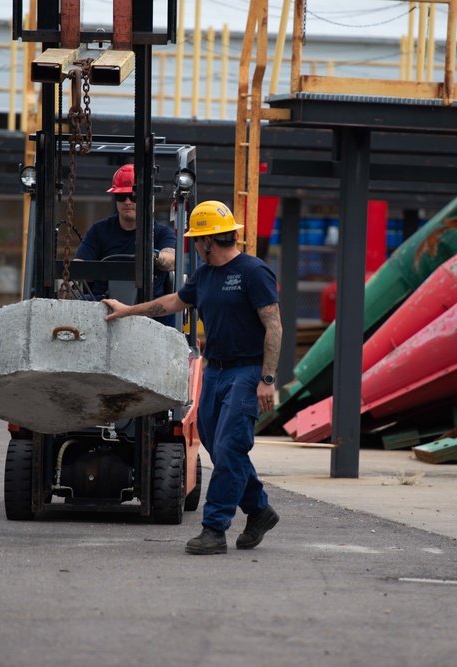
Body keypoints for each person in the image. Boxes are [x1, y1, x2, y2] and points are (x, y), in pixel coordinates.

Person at [102, 200, 283, 555]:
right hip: (214, 372)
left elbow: (273, 326)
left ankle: (214, 529)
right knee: (219, 447)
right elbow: (171, 303)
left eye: (196, 241)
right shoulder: (204, 276)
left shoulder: (253, 272)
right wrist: (128, 312)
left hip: (247, 372)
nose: (195, 247)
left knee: (231, 449)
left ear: (208, 242)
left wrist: (267, 378)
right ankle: (259, 510)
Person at [74, 164, 177, 325]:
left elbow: (172, 260)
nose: (127, 202)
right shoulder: (99, 230)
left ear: (145, 197)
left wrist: (154, 257)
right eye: (121, 197)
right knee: (77, 306)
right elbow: (78, 266)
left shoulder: (161, 232)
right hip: (104, 303)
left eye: (133, 196)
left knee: (171, 309)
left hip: (149, 306)